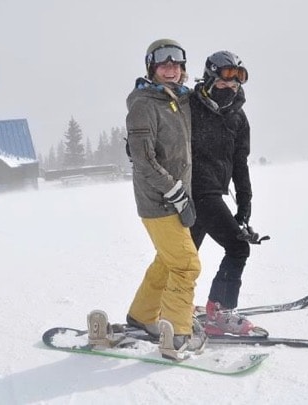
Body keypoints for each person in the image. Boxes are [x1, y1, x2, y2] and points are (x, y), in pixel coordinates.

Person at [86, 39, 206, 359]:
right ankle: (178, 332)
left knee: (167, 261)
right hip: (159, 200)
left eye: (177, 64)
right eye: (163, 64)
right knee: (186, 265)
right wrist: (175, 192)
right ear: (151, 68)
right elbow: (143, 159)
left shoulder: (179, 100)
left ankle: (142, 316)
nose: (171, 69)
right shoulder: (145, 104)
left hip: (177, 196)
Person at [189, 50, 267, 337]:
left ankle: (173, 306)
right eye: (222, 85)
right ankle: (218, 313)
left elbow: (239, 162)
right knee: (237, 247)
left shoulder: (237, 117)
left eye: (234, 86)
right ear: (209, 80)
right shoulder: (190, 105)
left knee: (187, 256)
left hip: (213, 193)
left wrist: (244, 205)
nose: (229, 90)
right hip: (192, 191)